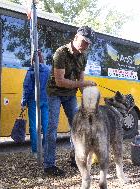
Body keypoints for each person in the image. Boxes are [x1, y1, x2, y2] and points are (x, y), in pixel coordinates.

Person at [43, 26, 97, 176]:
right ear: (76, 37)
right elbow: (60, 82)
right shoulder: (60, 53)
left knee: (77, 126)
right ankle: (49, 165)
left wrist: (89, 98)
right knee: (52, 128)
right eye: (84, 41)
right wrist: (84, 84)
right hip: (55, 92)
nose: (85, 45)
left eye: (88, 43)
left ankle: (76, 159)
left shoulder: (83, 57)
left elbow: (80, 82)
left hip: (70, 94)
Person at [21, 50, 50, 158]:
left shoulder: (31, 70)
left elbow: (26, 87)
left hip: (33, 100)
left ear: (33, 59)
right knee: (46, 125)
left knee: (34, 126)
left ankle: (36, 151)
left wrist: (23, 102)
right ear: (42, 58)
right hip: (46, 100)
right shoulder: (48, 70)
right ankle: (47, 149)